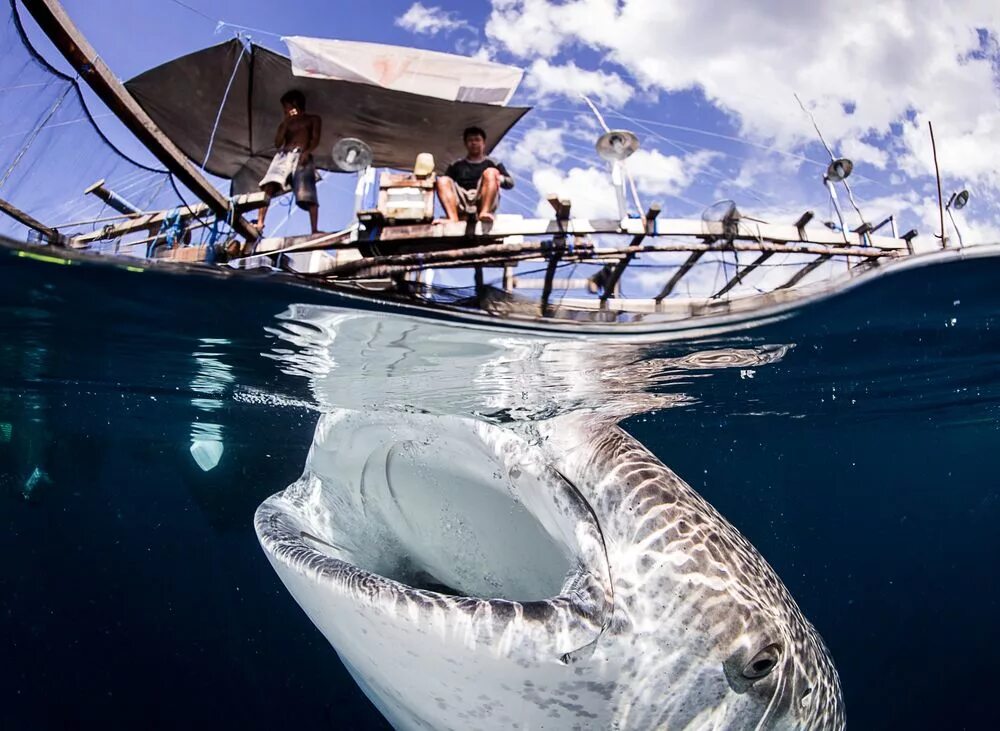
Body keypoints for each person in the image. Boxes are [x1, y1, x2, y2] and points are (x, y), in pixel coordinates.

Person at [257, 90, 322, 234]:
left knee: (308, 191)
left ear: (295, 105)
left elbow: (315, 139)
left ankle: (314, 229)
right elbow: (277, 143)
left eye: (286, 106)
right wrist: (285, 123)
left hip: (301, 154)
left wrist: (307, 152)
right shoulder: (286, 123)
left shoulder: (313, 119)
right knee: (269, 185)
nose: (285, 110)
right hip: (284, 155)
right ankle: (260, 222)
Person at [436, 126, 514, 223]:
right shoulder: (456, 165)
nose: (474, 143)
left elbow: (510, 183)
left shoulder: (492, 162)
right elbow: (445, 185)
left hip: (482, 198)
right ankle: (452, 218)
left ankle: (484, 213)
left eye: (477, 140)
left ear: (483, 143)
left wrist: (498, 178)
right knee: (442, 180)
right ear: (465, 144)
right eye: (470, 140)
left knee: (490, 172)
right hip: (462, 200)